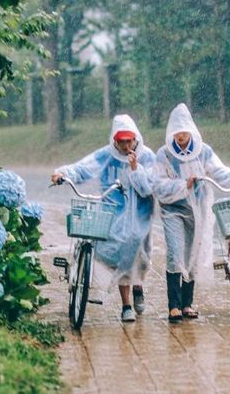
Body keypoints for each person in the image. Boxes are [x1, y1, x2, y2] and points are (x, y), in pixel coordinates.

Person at [153, 103, 230, 323]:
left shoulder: (203, 151)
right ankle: (173, 305)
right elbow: (158, 185)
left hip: (197, 210)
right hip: (173, 210)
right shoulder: (164, 155)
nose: (181, 136)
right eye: (176, 132)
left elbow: (220, 173)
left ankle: (187, 304)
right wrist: (182, 186)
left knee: (193, 253)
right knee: (175, 251)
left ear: (191, 131)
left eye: (184, 132)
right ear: (171, 133)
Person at [51, 114, 156, 323]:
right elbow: (83, 168)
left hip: (141, 214)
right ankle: (126, 305)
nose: (126, 146)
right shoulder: (106, 156)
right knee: (121, 254)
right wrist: (63, 173)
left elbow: (148, 188)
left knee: (140, 256)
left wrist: (135, 169)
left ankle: (138, 286)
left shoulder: (148, 157)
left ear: (136, 139)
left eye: (129, 141)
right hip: (114, 210)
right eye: (121, 141)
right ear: (114, 141)